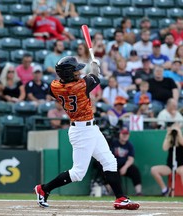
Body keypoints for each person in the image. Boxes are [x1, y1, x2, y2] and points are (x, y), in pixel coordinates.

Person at [34, 56, 140, 210]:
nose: (78, 71)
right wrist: (95, 65)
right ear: (69, 74)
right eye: (76, 70)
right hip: (82, 131)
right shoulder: (79, 86)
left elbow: (90, 78)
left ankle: (120, 198)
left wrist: (91, 69)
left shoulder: (54, 86)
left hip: (90, 129)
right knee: (78, 173)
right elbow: (96, 75)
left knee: (110, 161)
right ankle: (44, 189)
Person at [151, 122, 183, 196]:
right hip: (170, 167)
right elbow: (164, 148)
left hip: (180, 166)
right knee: (154, 169)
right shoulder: (170, 140)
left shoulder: (181, 138)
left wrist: (178, 132)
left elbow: (182, 142)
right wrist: (168, 134)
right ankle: (165, 190)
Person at [110, 128, 143, 196]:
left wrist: (125, 167)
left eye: (126, 134)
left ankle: (139, 192)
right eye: (123, 134)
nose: (125, 136)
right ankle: (116, 193)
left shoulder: (129, 145)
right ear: (120, 134)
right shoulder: (114, 143)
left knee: (135, 170)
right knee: (113, 173)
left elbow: (131, 159)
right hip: (114, 165)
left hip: (124, 165)